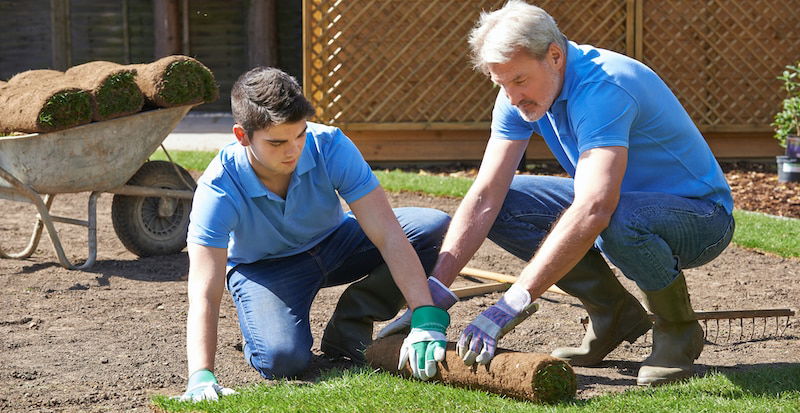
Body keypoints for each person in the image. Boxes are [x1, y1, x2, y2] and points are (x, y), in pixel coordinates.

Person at [383, 0, 735, 386]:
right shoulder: (515, 94)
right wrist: (432, 299)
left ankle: (677, 329)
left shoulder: (604, 87)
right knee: (506, 202)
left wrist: (510, 304)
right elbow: (486, 195)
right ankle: (612, 314)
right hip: (621, 206)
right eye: (501, 83)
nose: (512, 97)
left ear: (554, 55)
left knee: (612, 215)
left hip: (701, 219)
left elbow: (595, 208)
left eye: (519, 80)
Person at [178, 67, 453, 401]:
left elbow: (389, 235)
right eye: (277, 142)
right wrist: (201, 374)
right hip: (265, 269)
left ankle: (350, 323)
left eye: (300, 135)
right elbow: (204, 292)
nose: (293, 150)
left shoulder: (330, 145)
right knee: (282, 359)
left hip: (335, 242)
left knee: (432, 227)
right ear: (242, 136)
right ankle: (260, 330)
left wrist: (424, 313)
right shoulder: (218, 187)